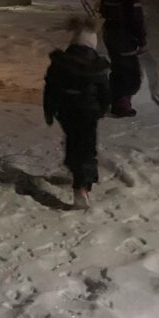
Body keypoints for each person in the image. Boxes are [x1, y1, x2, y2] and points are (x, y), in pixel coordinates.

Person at [44, 15, 111, 209]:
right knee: (87, 147)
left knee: (74, 140)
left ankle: (76, 170)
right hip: (88, 112)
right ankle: (81, 186)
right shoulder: (97, 66)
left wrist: (49, 110)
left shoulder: (60, 63)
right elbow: (105, 91)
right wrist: (103, 108)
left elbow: (51, 88)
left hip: (66, 111)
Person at [99, 0, 147, 116]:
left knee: (118, 67)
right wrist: (142, 40)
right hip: (125, 37)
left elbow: (102, 11)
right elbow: (137, 20)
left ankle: (114, 100)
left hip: (110, 34)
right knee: (130, 71)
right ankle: (122, 105)